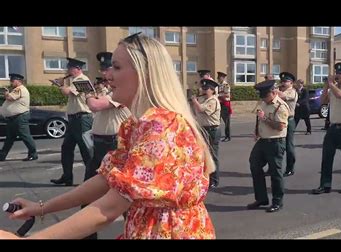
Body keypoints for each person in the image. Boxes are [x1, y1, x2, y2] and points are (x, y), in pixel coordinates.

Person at [0, 33, 215, 239]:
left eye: (117, 67)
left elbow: (110, 208)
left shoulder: (161, 126)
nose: (108, 74)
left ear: (145, 73)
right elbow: (104, 181)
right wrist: (42, 208)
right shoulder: (137, 125)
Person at [81, 52, 132, 239]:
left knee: (124, 197)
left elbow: (95, 106)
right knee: (88, 195)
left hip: (115, 147)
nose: (105, 74)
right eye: (103, 70)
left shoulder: (120, 94)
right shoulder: (108, 92)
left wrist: (87, 96)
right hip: (100, 147)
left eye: (111, 69)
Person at [311, 63, 341, 195]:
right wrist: (326, 86)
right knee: (326, 157)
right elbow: (323, 101)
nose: (337, 75)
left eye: (340, 73)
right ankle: (325, 185)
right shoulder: (333, 88)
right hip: (333, 128)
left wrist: (331, 85)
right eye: (336, 73)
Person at [247, 79, 289, 213]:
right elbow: (258, 118)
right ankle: (261, 198)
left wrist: (265, 119)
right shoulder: (264, 102)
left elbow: (280, 126)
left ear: (273, 92)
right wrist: (257, 132)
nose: (264, 99)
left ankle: (277, 201)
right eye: (262, 96)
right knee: (254, 164)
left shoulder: (280, 106)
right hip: (263, 141)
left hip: (275, 142)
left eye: (265, 95)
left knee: (275, 172)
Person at [50, 58, 93, 186]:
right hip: (74, 119)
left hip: (82, 119)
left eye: (70, 68)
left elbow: (66, 92)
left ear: (78, 69)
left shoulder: (81, 80)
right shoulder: (75, 80)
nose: (68, 70)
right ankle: (67, 177)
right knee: (66, 148)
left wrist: (60, 84)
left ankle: (91, 178)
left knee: (85, 150)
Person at [0, 73, 38, 162]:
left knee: (25, 136)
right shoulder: (15, 89)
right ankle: (2, 155)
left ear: (19, 81)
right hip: (12, 118)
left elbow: (10, 98)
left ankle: (33, 154)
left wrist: (6, 93)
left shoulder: (19, 89)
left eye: (13, 81)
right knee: (9, 138)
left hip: (20, 117)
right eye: (11, 80)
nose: (11, 82)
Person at [191, 78, 221, 188]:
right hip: (204, 129)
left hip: (212, 130)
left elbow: (200, 109)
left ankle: (214, 180)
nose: (204, 90)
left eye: (207, 88)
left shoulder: (213, 101)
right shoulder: (203, 99)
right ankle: (206, 177)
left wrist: (195, 101)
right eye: (204, 88)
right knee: (203, 154)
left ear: (212, 90)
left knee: (213, 155)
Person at [276, 72, 298, 177]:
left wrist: (274, 89)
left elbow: (282, 96)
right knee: (276, 145)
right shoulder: (279, 90)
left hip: (289, 120)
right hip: (279, 120)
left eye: (285, 81)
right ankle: (274, 167)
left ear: (291, 82)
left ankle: (290, 168)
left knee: (288, 145)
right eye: (282, 81)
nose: (283, 83)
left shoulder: (292, 92)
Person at [217, 71, 232, 142]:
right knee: (217, 120)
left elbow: (227, 95)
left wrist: (218, 96)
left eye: (219, 77)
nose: (218, 79)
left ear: (222, 77)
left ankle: (227, 136)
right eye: (218, 77)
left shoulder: (226, 85)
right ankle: (218, 135)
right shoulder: (218, 85)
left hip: (225, 104)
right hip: (220, 104)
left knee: (226, 121)